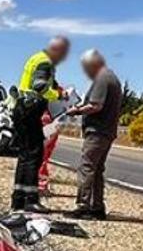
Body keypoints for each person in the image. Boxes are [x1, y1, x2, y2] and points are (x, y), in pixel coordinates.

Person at [10, 36, 70, 212]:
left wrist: (56, 86)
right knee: (34, 155)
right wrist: (58, 96)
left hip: (22, 109)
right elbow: (40, 85)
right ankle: (30, 201)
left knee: (25, 156)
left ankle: (18, 200)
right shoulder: (46, 62)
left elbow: (43, 80)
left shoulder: (37, 58)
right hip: (30, 111)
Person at [66, 49, 121, 220]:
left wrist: (76, 111)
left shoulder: (102, 79)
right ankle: (97, 207)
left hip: (97, 131)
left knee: (87, 167)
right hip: (107, 131)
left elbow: (96, 105)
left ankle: (83, 206)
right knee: (97, 170)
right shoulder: (113, 78)